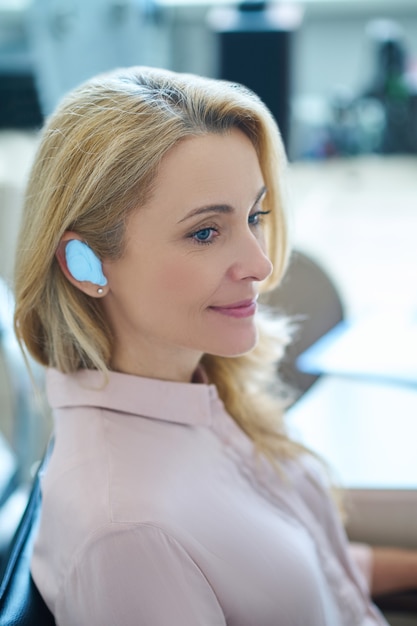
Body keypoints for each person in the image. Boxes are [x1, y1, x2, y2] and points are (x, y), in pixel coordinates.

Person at [13, 66, 417, 625]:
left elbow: (304, 573)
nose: (261, 263)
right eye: (205, 232)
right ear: (84, 264)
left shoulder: (196, 387)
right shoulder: (129, 533)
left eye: (254, 217)